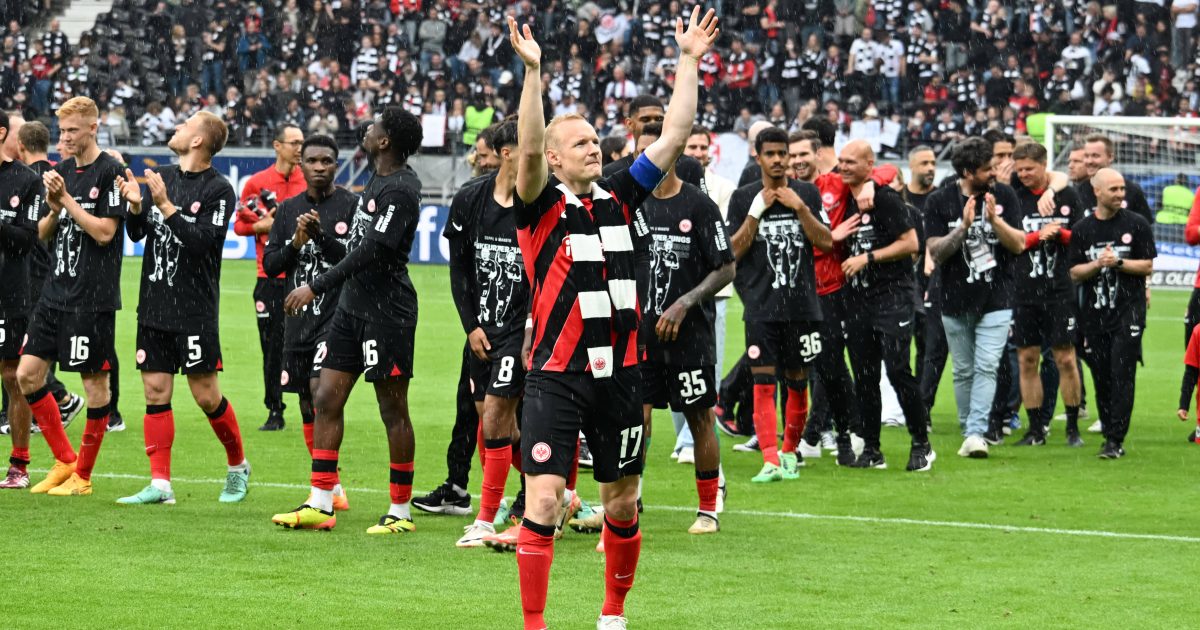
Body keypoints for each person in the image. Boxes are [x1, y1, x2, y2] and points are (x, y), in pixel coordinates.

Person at [505, 10, 717, 629]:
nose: (595, 146)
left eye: (597, 138)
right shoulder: (539, 206)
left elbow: (675, 133)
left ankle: (612, 615)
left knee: (622, 506)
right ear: (553, 159)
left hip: (623, 376)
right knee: (543, 500)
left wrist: (688, 59)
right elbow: (526, 146)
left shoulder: (621, 194)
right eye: (580, 143)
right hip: (556, 376)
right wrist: (535, 74)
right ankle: (535, 624)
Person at [271, 106, 424, 533]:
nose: (368, 129)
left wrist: (315, 286)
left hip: (387, 314)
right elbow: (356, 254)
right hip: (351, 310)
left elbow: (372, 252)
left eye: (375, 125)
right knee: (325, 398)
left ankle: (401, 511)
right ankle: (321, 502)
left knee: (392, 408)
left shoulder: (402, 189)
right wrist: (321, 238)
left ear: (385, 141)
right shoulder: (376, 178)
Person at [115, 112, 249, 505]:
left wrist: (166, 206)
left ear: (198, 141)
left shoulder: (219, 190)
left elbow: (203, 243)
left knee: (206, 395)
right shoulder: (164, 177)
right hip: (154, 304)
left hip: (194, 308)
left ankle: (238, 467)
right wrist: (137, 208)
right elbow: (139, 233)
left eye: (184, 125)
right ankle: (160, 485)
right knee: (155, 391)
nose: (175, 127)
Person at [17, 96, 125, 496]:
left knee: (96, 386)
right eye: (62, 131)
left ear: (93, 128)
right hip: (54, 294)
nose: (65, 138)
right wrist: (53, 207)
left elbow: (105, 232)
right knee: (28, 375)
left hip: (91, 298)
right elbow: (43, 233)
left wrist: (67, 201)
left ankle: (84, 476)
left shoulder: (111, 172)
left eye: (73, 130)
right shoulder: (60, 171)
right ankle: (65, 460)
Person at [631, 121, 734, 533]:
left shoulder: (699, 206)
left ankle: (708, 508)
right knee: (634, 419)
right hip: (638, 336)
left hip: (689, 337)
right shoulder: (630, 203)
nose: (647, 160)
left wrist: (686, 302)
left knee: (699, 417)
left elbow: (726, 267)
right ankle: (629, 500)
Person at [727, 125, 831, 482]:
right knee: (763, 384)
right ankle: (770, 458)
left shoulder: (807, 193)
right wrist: (756, 212)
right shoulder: (743, 198)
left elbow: (827, 242)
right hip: (761, 308)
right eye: (769, 154)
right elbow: (732, 252)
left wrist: (801, 208)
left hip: (801, 307)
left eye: (781, 154)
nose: (777, 160)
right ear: (758, 157)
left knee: (798, 381)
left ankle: (789, 453)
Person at [443, 118, 529, 548]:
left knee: (496, 413)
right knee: (495, 422)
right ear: (508, 152)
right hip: (483, 329)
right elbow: (458, 267)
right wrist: (471, 325)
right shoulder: (470, 199)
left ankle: (485, 517)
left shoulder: (540, 198)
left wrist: (532, 328)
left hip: (523, 329)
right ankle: (557, 491)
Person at [261, 133, 357, 514]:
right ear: (301, 165)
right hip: (297, 321)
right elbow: (271, 266)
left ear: (336, 165)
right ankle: (330, 484)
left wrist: (323, 238)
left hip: (336, 318)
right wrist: (298, 241)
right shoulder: (287, 211)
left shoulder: (351, 205)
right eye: (312, 161)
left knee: (323, 394)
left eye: (327, 161)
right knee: (305, 402)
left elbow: (354, 260)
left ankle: (321, 492)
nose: (319, 167)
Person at [924, 136, 1025, 459]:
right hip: (953, 297)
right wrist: (963, 227)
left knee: (986, 366)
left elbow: (1019, 244)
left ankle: (976, 432)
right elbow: (936, 252)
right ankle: (970, 428)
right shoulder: (940, 201)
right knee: (963, 370)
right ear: (967, 172)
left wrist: (995, 221)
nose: (993, 173)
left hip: (997, 296)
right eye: (986, 169)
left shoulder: (1005, 196)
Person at [838, 140, 932, 471]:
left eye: (852, 161)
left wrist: (868, 257)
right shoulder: (842, 199)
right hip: (857, 301)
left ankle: (922, 443)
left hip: (893, 298)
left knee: (897, 370)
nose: (844, 166)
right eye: (841, 161)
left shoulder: (885, 198)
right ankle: (873, 449)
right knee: (864, 377)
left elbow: (911, 244)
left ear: (869, 164)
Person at [1068, 168, 1156, 459]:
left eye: (1122, 189)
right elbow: (1074, 272)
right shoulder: (1082, 229)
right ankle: (1109, 429)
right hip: (1094, 314)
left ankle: (1116, 438)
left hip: (1128, 311)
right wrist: (1097, 265)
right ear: (1097, 192)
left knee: (1122, 373)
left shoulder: (1137, 223)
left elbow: (1146, 266)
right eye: (1114, 189)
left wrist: (1117, 262)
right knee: (1102, 375)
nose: (1120, 194)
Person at [1008, 142, 1086, 447]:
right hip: (1024, 291)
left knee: (1065, 358)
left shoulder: (1068, 195)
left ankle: (1071, 429)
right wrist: (1036, 237)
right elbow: (1011, 241)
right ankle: (1036, 429)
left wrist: (1061, 234)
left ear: (1044, 166)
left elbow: (1082, 238)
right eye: (1020, 169)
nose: (1024, 174)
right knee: (1027, 358)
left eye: (1030, 168)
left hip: (1060, 291)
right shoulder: (1015, 198)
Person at [234, 124, 307, 431]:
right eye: (294, 143)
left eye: (302, 142)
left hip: (302, 277)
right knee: (272, 347)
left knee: (304, 344)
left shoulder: (309, 182)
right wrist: (261, 228)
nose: (299, 148)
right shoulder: (258, 183)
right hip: (269, 277)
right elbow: (239, 226)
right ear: (277, 146)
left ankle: (309, 404)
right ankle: (274, 408)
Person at [0, 111, 42, 489]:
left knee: (13, 377)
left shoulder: (26, 182)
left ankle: (20, 464)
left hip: (9, 294)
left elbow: (27, 240)